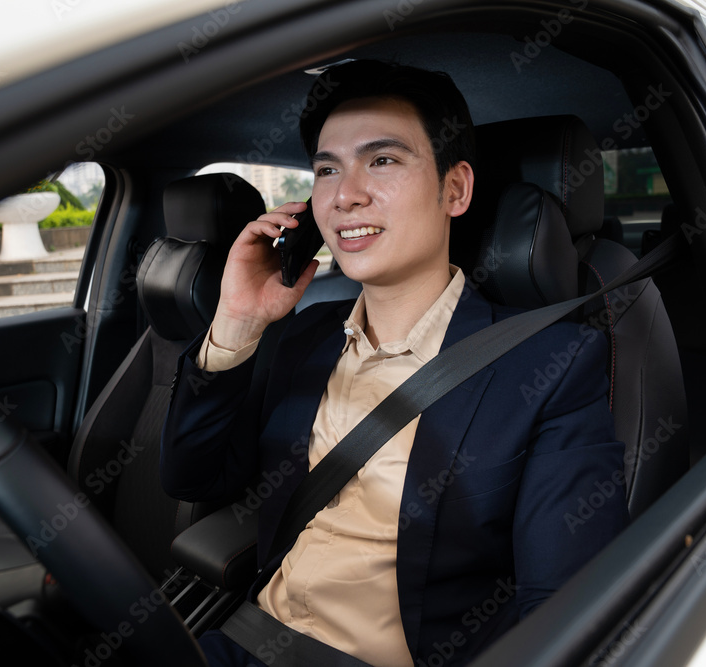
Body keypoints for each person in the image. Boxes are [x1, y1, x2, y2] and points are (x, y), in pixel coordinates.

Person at [161, 59, 628, 667]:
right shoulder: (300, 340)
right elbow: (192, 480)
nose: (346, 193)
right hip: (243, 644)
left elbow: (562, 611)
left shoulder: (549, 365)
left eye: (382, 160)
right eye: (327, 169)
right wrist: (236, 325)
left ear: (455, 190)